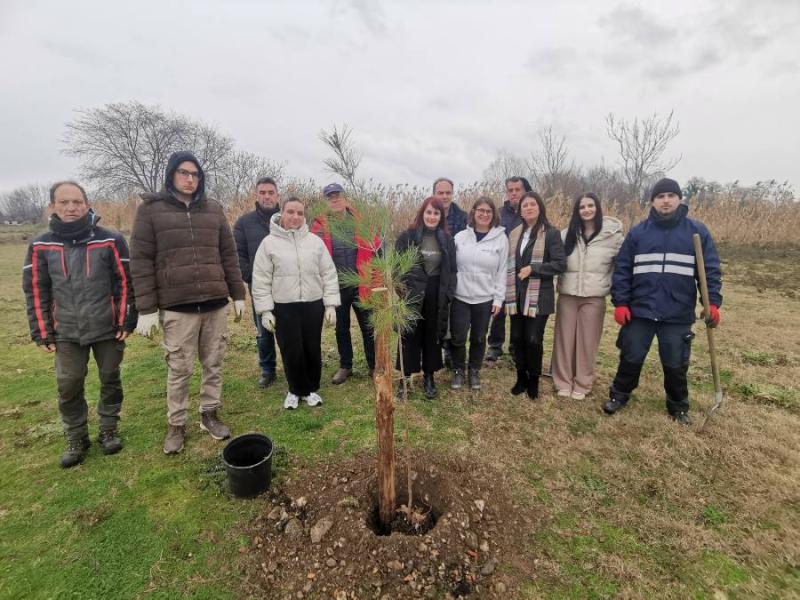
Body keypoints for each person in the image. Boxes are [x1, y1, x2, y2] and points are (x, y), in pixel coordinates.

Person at [131, 151, 246, 454]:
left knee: (214, 362)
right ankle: (176, 424)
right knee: (179, 368)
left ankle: (209, 413)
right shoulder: (150, 211)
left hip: (214, 302)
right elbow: (141, 261)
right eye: (184, 173)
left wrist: (237, 295)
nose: (189, 179)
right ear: (171, 174)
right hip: (177, 305)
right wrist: (146, 309)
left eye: (195, 174)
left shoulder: (214, 210)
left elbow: (229, 255)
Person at [23, 181, 137, 467]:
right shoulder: (40, 245)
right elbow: (36, 289)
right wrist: (41, 329)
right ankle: (76, 436)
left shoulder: (110, 240)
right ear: (53, 207)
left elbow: (125, 282)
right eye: (64, 202)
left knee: (110, 377)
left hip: (107, 326)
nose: (71, 207)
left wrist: (126, 318)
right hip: (66, 331)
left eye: (76, 202)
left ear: (87, 204)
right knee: (69, 384)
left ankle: (109, 427)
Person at [604, 178, 722, 425]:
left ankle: (678, 406)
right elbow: (623, 269)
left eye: (671, 195)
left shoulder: (696, 233)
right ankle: (619, 395)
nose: (666, 200)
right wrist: (622, 303)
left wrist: (712, 303)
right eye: (660, 196)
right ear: (652, 202)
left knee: (675, 363)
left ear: (679, 199)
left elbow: (708, 271)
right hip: (641, 310)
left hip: (677, 312)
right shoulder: (639, 233)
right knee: (631, 356)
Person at [252, 197, 340, 409]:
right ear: (282, 213)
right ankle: (294, 389)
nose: (295, 217)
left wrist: (330, 305)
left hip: (312, 304)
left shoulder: (314, 242)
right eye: (291, 212)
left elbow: (328, 273)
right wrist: (265, 311)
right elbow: (261, 278)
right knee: (291, 348)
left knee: (311, 346)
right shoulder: (269, 244)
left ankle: (310, 389)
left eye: (300, 213)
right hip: (285, 306)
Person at [552, 193, 623, 400]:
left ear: (597, 208)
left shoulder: (613, 236)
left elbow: (621, 266)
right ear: (577, 211)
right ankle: (563, 381)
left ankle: (582, 383)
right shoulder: (566, 235)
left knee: (588, 341)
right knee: (564, 339)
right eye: (582, 207)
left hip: (594, 295)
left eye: (590, 205)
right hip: (568, 294)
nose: (586, 210)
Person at [311, 183, 378, 384]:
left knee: (367, 327)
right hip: (336, 286)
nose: (335, 199)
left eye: (337, 195)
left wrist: (375, 279)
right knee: (341, 328)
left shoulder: (361, 221)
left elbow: (376, 249)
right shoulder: (319, 226)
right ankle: (345, 366)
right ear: (326, 200)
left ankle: (373, 366)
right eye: (330, 196)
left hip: (361, 284)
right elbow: (314, 255)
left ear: (345, 198)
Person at [505, 191, 566, 400]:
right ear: (520, 211)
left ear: (540, 207)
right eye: (525, 205)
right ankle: (521, 377)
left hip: (539, 296)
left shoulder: (551, 233)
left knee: (533, 339)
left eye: (532, 204)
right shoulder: (514, 234)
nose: (528, 208)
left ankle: (533, 380)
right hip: (517, 295)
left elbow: (560, 264)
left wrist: (534, 268)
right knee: (516, 338)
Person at [396, 196, 457, 399]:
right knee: (409, 336)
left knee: (432, 336)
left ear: (441, 216)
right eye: (429, 212)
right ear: (422, 213)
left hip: (436, 292)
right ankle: (404, 380)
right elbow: (397, 267)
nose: (432, 216)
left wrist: (448, 293)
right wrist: (401, 290)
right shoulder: (408, 236)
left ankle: (429, 377)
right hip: (412, 292)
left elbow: (452, 270)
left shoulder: (447, 239)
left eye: (436, 213)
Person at [450, 197, 508, 391]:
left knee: (478, 337)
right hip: (460, 296)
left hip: (485, 298)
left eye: (488, 211)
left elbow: (502, 271)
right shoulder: (460, 237)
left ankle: (474, 370)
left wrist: (499, 298)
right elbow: (451, 267)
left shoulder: (501, 239)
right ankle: (458, 370)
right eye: (480, 210)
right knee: (458, 337)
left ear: (493, 215)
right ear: (473, 212)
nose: (484, 214)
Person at [234, 176, 281, 389]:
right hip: (259, 286)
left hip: (285, 284)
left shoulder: (288, 218)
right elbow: (238, 254)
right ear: (256, 195)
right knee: (263, 330)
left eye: (271, 192)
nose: (267, 196)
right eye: (262, 192)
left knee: (288, 328)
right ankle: (268, 369)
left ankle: (292, 365)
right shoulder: (244, 223)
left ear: (277, 195)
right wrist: (250, 276)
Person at [487, 176, 531, 362]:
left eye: (517, 189)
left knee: (518, 310)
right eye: (510, 190)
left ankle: (515, 347)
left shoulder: (530, 212)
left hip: (522, 270)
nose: (513, 193)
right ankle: (495, 346)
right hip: (501, 269)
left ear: (525, 191)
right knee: (499, 309)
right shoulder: (499, 214)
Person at [432, 177, 466, 370]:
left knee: (452, 315)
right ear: (434, 193)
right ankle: (434, 353)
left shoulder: (462, 217)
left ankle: (450, 352)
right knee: (435, 313)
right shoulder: (428, 213)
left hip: (454, 272)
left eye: (448, 193)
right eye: (440, 192)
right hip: (434, 274)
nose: (444, 196)